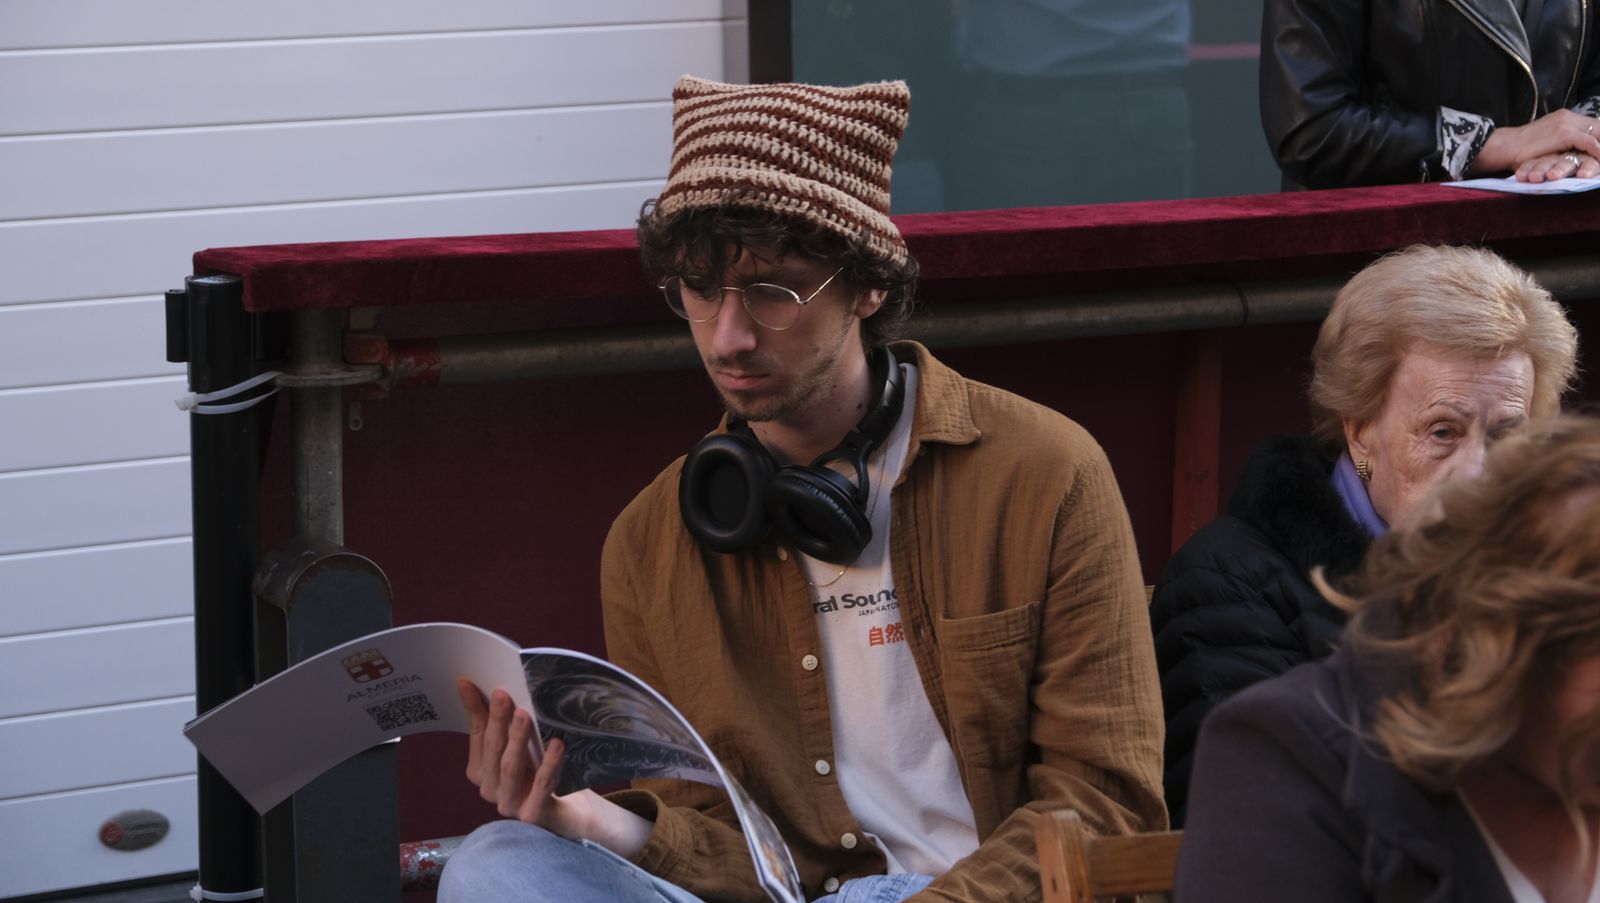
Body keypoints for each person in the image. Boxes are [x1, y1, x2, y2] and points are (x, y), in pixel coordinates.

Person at [438, 75, 1166, 902]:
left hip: (960, 896)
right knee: (495, 863)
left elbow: (1106, 805)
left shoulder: (1047, 473)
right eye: (700, 291)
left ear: (869, 285)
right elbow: (717, 841)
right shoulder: (649, 540)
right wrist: (593, 818)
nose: (729, 336)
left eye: (774, 292)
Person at [1150, 244, 1578, 825]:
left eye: (1507, 437)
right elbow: (1255, 830)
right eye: (1444, 431)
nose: (1479, 472)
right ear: (1360, 431)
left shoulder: (1564, 568)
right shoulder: (1230, 584)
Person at [1176, 414, 1600, 903]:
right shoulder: (1289, 749)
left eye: (1504, 434)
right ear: (1502, 646)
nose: (1474, 463)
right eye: (1444, 431)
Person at [1260, 0, 1600, 189]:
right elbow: (1313, 132)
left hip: (1558, 249)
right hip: (1395, 267)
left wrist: (1583, 145)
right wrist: (1498, 144)